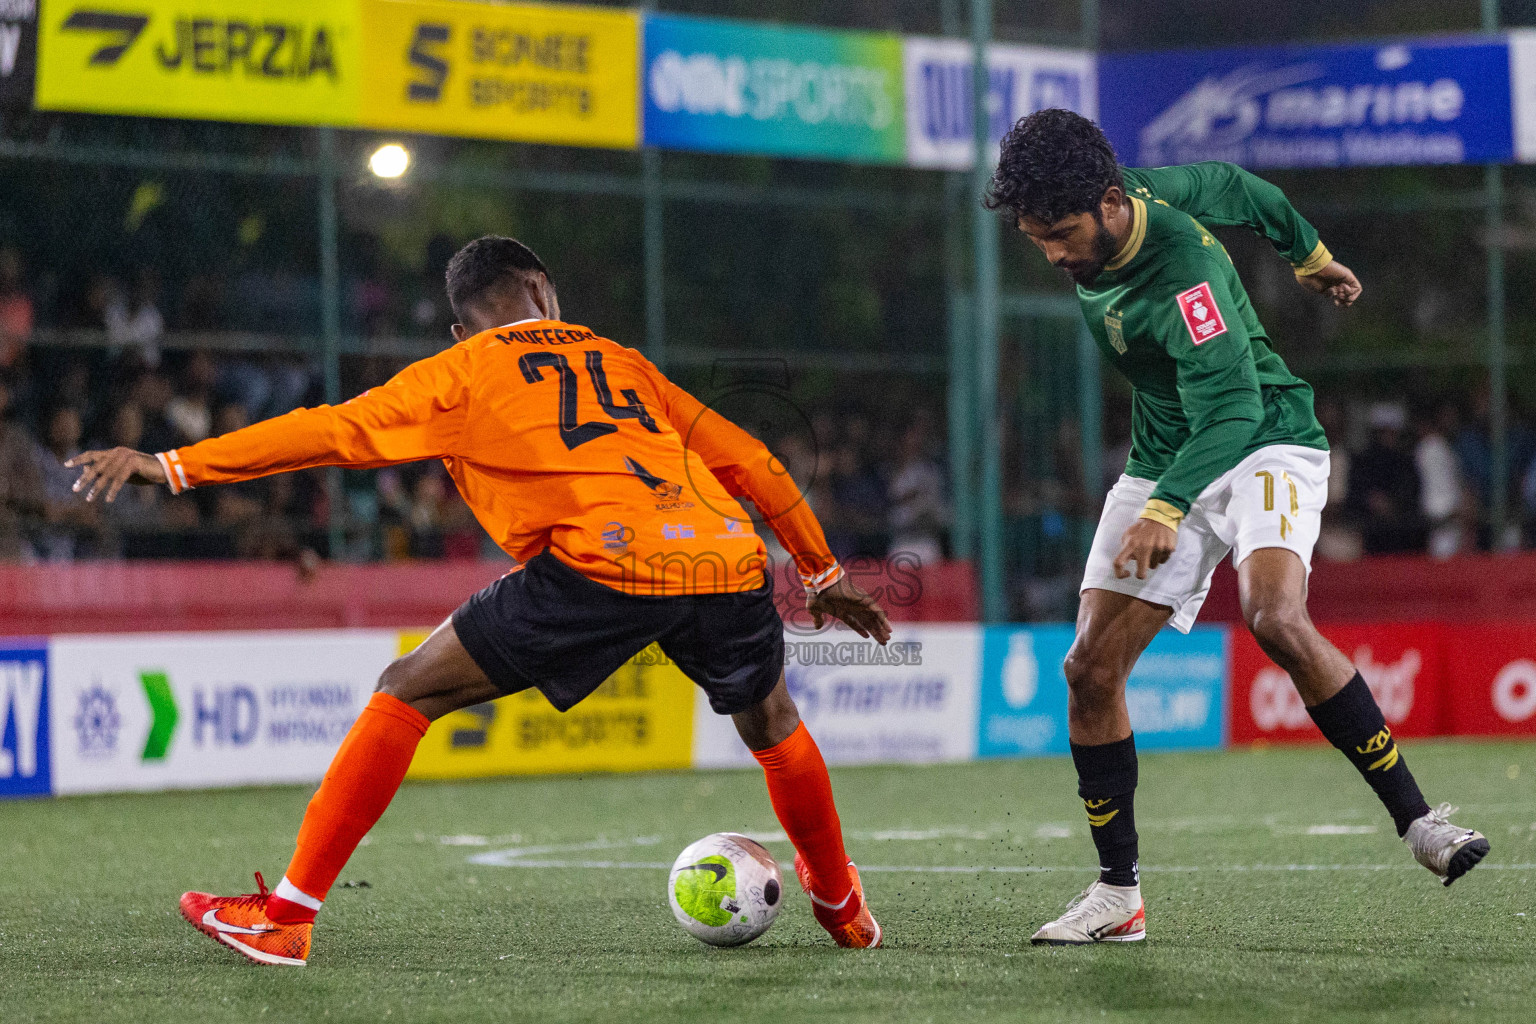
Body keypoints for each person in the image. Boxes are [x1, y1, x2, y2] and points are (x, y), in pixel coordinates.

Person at [68, 236, 891, 965]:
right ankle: (843, 909)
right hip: (724, 557)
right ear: (544, 290)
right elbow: (752, 459)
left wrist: (172, 466)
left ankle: (285, 917)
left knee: (406, 690)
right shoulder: (625, 361)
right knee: (773, 724)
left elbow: (330, 430)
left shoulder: (463, 370)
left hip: (601, 566)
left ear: (462, 326)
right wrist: (820, 572)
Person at [983, 110, 1488, 946]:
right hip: (1166, 455)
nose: (1055, 256)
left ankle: (1421, 824)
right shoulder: (1133, 195)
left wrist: (1164, 507)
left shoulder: (1184, 276)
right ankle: (1118, 897)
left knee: (1274, 616)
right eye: (1037, 239)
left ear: (1107, 204)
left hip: (1264, 442)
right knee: (1089, 670)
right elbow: (1234, 187)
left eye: (1061, 235)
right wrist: (1311, 256)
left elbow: (1232, 407)